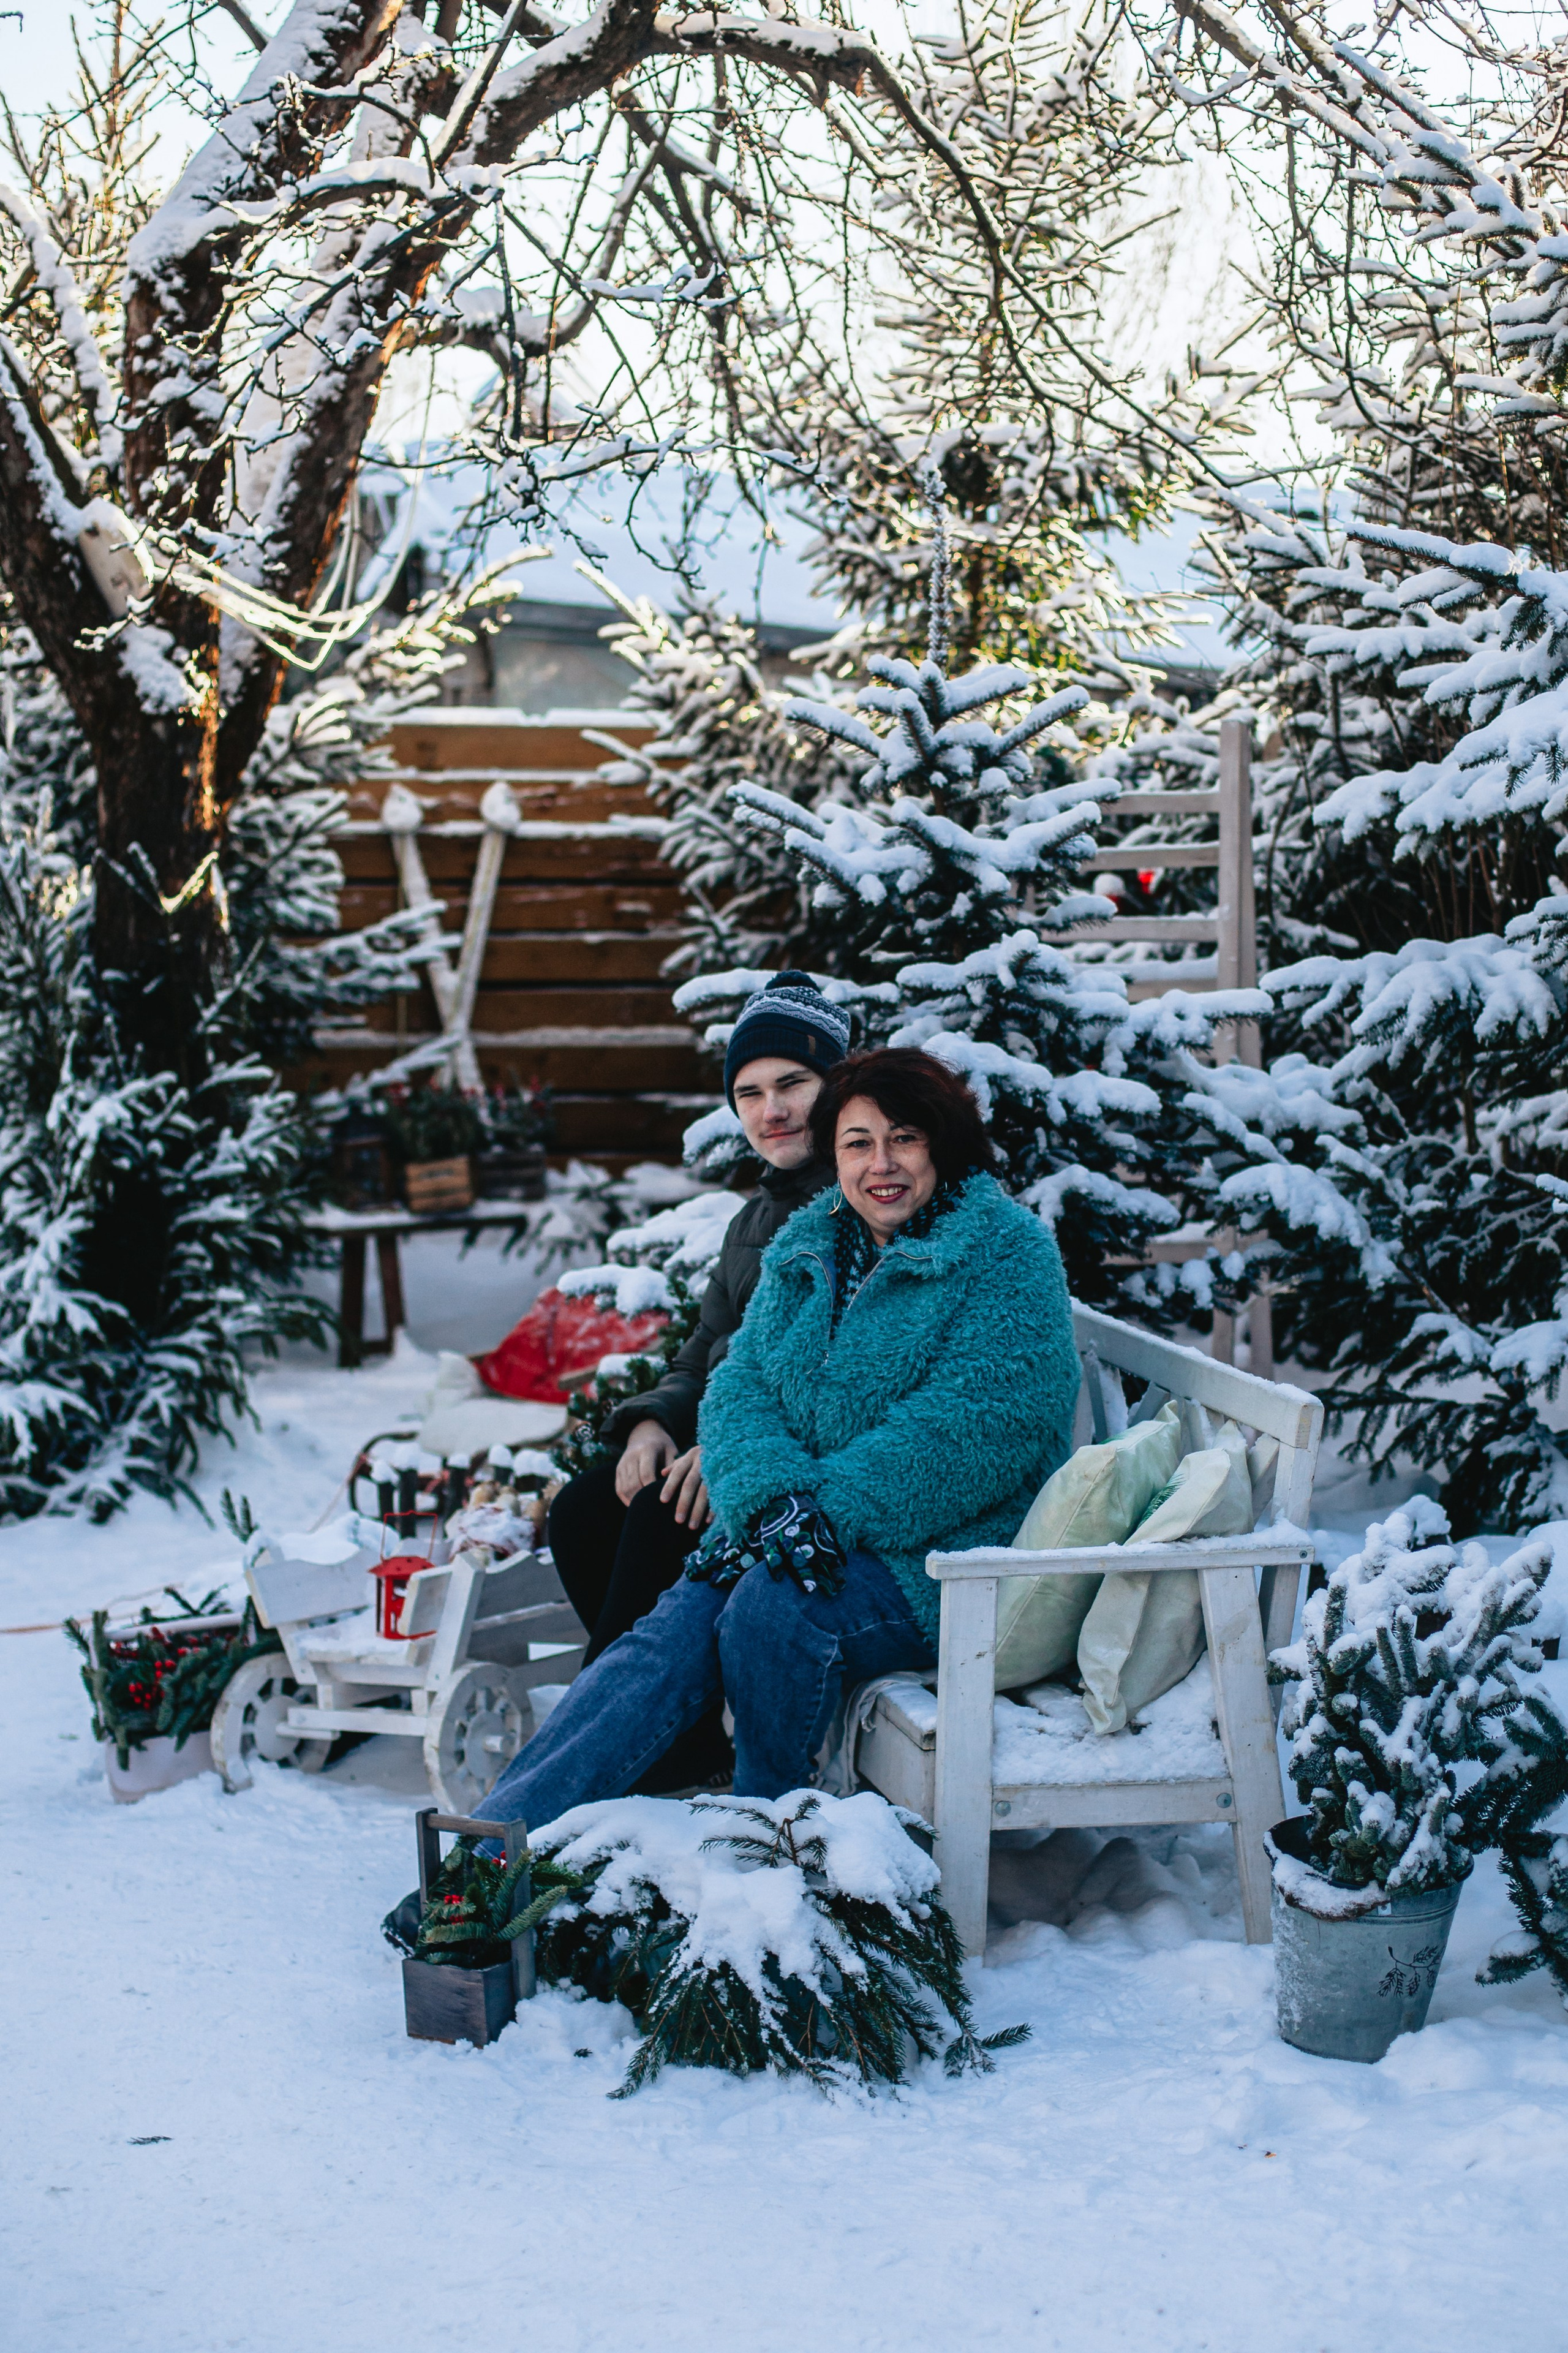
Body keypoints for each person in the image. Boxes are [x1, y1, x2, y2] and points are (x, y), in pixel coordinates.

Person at [471, 1047, 1080, 1834]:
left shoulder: (1005, 1252)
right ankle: (487, 1851)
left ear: (944, 1142)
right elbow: (740, 1386)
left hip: (950, 1558)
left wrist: (814, 1514)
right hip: (810, 1534)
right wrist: (769, 1505)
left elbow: (976, 1431)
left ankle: (765, 1838)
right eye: (858, 1143)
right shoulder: (812, 1241)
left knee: (773, 1606)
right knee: (668, 1630)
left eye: (904, 1138)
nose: (880, 1164)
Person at [543, 970, 848, 1789]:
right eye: (749, 1093)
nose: (771, 1109)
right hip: (723, 1442)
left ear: (836, 1085)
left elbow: (831, 1374)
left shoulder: (854, 1205)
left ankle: (601, 1754)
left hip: (793, 1472)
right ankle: (677, 1746)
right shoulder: (755, 1216)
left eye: (792, 1083)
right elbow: (705, 1347)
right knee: (583, 1510)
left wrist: (735, 1451)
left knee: (661, 1514)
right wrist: (651, 1423)